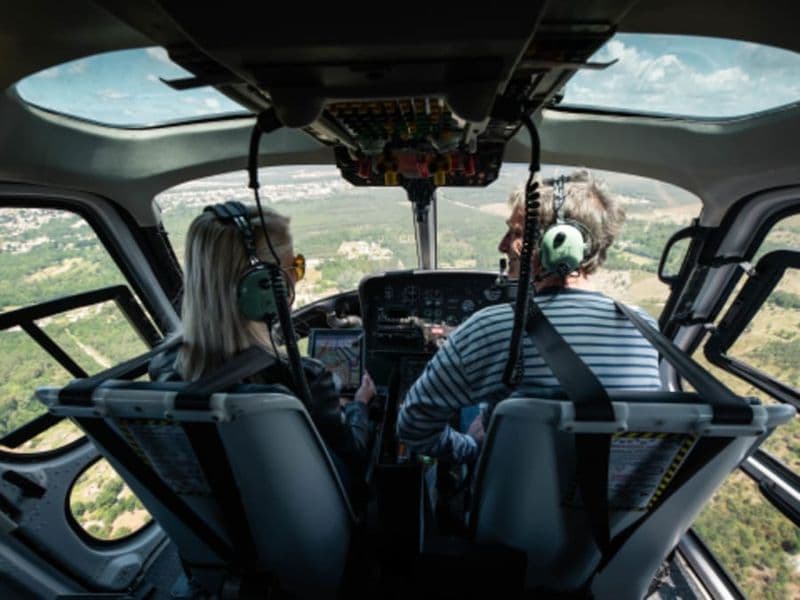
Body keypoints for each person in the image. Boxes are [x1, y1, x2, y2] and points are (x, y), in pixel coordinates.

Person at [397, 170, 662, 464]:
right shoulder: (645, 327)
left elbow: (413, 426)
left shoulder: (492, 327)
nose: (502, 245)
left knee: (469, 415)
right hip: (609, 503)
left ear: (560, 244)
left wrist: (474, 450)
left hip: (510, 505)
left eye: (515, 233)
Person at [151, 203, 375, 477]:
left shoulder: (163, 370)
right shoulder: (303, 379)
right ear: (264, 287)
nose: (295, 278)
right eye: (293, 267)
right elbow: (354, 457)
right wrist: (359, 405)